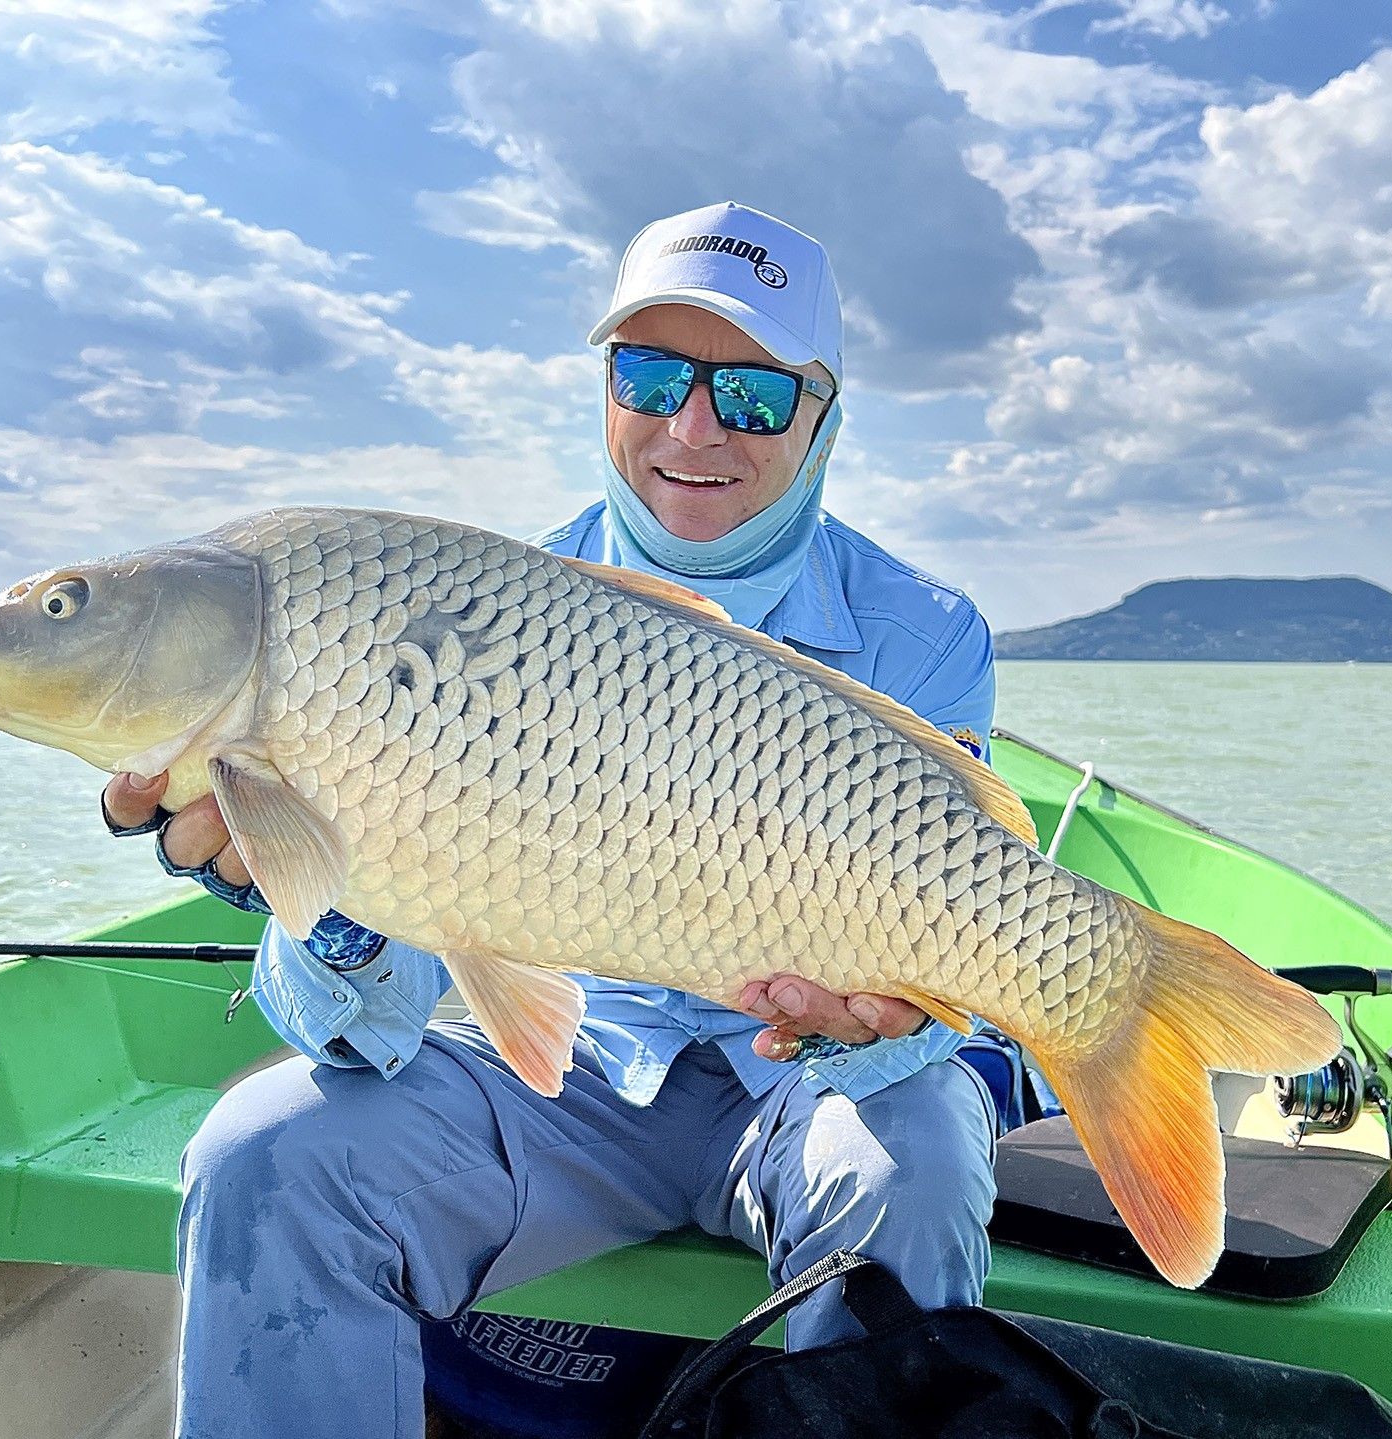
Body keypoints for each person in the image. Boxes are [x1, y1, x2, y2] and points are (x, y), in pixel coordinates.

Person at [104, 201, 1003, 1439]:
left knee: (920, 1160)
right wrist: (323, 902)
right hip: (570, 1070)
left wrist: (878, 1027)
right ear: (606, 388)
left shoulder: (930, 635)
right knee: (266, 1150)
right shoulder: (475, 613)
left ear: (824, 418)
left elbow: (915, 1029)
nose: (692, 427)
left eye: (749, 394)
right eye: (651, 374)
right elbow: (364, 1028)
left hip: (805, 1085)